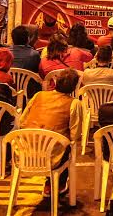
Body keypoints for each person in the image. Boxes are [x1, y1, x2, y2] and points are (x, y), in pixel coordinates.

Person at [21, 68, 82, 196]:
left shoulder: (38, 95)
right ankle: (57, 184)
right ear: (74, 87)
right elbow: (74, 135)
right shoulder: (74, 103)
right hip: (52, 158)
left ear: (55, 82)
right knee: (67, 146)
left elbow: (22, 121)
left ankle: (51, 183)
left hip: (24, 153)